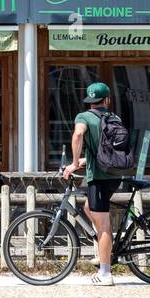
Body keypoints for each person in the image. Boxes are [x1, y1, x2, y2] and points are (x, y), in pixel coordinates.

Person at [62, 81, 120, 286]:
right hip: (115, 175)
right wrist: (83, 162)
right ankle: (105, 249)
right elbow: (105, 151)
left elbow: (78, 135)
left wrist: (74, 163)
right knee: (88, 207)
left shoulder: (84, 117)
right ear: (107, 100)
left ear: (89, 100)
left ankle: (105, 273)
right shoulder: (114, 118)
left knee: (103, 224)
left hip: (99, 177)